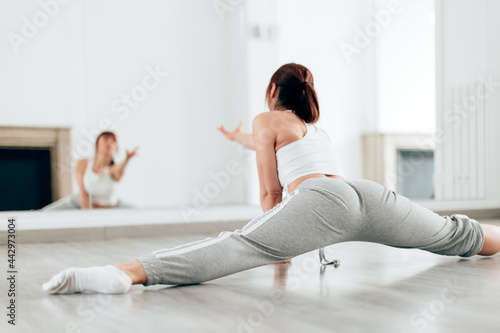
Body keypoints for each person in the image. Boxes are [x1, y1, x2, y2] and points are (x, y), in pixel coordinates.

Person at [42, 63, 500, 294]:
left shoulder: (268, 119)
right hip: (365, 195)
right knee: (452, 234)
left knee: (241, 245)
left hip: (318, 199)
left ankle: (124, 273)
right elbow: (276, 148)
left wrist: (277, 250)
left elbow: (271, 191)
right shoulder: (310, 129)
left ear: (273, 92)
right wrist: (239, 138)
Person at [42, 131, 138, 210]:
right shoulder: (83, 163)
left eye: (113, 141)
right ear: (97, 144)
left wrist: (127, 159)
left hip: (111, 206)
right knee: (46, 212)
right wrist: (87, 216)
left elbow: (118, 169)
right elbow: (83, 193)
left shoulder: (113, 169)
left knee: (138, 213)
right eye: (105, 139)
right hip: (80, 203)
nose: (110, 143)